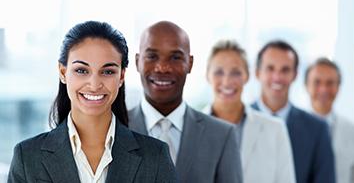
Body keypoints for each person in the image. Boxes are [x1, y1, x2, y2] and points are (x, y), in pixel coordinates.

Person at [7, 21, 176, 183]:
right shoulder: (27, 157)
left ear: (121, 76)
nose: (94, 85)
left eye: (108, 71)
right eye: (81, 70)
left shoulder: (155, 156)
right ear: (63, 72)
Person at [128, 21, 243, 183]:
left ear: (190, 63)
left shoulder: (222, 136)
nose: (162, 67)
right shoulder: (114, 128)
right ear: (137, 62)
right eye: (152, 56)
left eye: (175, 57)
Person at [203, 39, 296, 183]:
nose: (227, 81)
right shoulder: (190, 127)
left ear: (247, 76)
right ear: (207, 75)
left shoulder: (275, 129)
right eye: (219, 72)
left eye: (236, 73)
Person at [251, 40, 336, 183]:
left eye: (285, 70)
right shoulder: (238, 121)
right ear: (257, 72)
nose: (277, 77)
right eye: (270, 68)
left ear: (295, 74)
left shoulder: (317, 129)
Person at [305, 57, 354, 183]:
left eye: (330, 83)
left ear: (338, 87)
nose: (324, 89)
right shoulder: (291, 128)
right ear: (307, 85)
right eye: (317, 82)